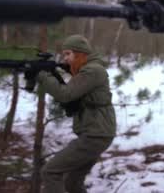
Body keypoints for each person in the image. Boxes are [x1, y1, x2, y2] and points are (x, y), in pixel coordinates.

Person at [35, 34, 116, 193]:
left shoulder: (92, 70)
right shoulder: (86, 69)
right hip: (97, 133)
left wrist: (43, 75)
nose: (65, 58)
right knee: (72, 182)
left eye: (68, 54)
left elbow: (66, 94)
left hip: (96, 135)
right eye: (63, 54)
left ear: (79, 53)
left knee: (50, 172)